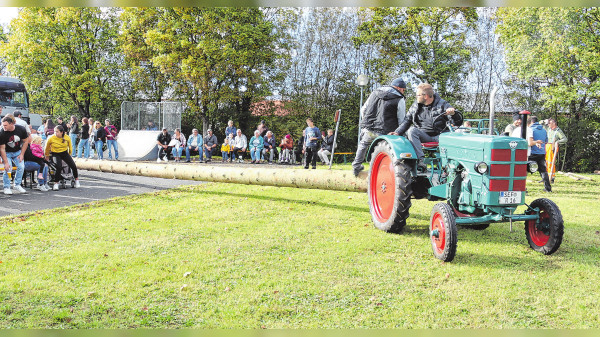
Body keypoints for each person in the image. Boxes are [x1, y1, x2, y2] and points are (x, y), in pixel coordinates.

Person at [390, 83, 461, 172]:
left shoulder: (442, 104)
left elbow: (457, 122)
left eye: (418, 95)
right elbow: (407, 121)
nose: (416, 97)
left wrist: (453, 114)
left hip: (440, 136)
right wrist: (397, 132)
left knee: (452, 136)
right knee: (412, 131)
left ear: (426, 96)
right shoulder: (415, 106)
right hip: (423, 135)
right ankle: (421, 161)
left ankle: (451, 167)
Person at [352, 77, 407, 176]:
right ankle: (387, 173)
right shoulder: (399, 99)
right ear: (399, 88)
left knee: (363, 145)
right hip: (387, 132)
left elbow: (363, 109)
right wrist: (400, 133)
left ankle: (356, 167)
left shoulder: (375, 93)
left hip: (369, 128)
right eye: (403, 90)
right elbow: (401, 119)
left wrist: (367, 122)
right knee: (388, 152)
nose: (403, 92)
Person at [0, 114, 30, 194]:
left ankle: (17, 184)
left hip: (17, 152)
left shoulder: (21, 129)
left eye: (5, 125)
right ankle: (7, 187)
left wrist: (22, 154)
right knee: (8, 168)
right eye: (3, 125)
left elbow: (26, 141)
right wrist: (5, 162)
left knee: (21, 167)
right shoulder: (2, 132)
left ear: (11, 124)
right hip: (6, 153)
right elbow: (2, 149)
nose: (4, 127)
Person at [44, 125, 80, 190]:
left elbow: (70, 147)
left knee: (73, 165)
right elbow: (46, 148)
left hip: (64, 153)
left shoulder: (67, 137)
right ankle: (56, 183)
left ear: (62, 132)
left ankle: (77, 180)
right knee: (58, 167)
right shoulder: (51, 138)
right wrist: (47, 156)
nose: (55, 133)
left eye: (57, 132)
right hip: (55, 153)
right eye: (55, 131)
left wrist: (69, 155)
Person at [525, 116, 552, 192]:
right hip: (542, 152)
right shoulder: (544, 130)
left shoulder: (530, 130)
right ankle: (548, 188)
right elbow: (546, 141)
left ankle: (523, 188)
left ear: (531, 122)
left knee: (525, 170)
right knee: (543, 170)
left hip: (532, 153)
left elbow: (529, 141)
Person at [542, 118, 568, 183]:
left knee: (551, 162)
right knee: (545, 162)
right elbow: (540, 123)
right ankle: (545, 177)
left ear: (554, 123)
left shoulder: (558, 131)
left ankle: (551, 177)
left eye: (549, 123)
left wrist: (557, 142)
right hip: (546, 146)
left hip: (552, 147)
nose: (548, 125)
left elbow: (565, 139)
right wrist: (544, 121)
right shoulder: (548, 129)